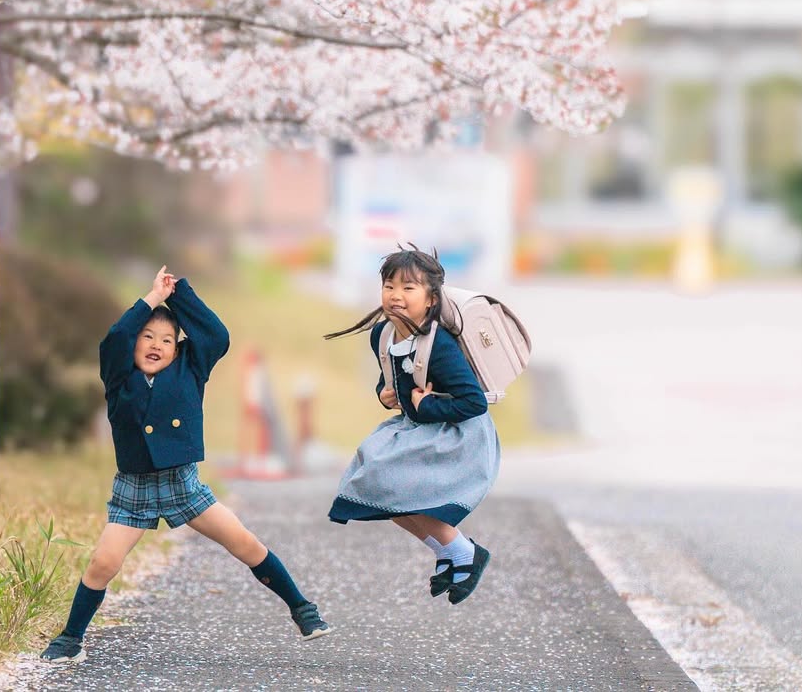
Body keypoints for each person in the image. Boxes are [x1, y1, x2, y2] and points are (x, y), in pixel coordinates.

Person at [40, 265, 331, 663]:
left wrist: (178, 294)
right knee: (103, 561)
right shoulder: (118, 376)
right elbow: (116, 338)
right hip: (135, 488)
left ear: (179, 348)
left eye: (166, 339)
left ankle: (303, 610)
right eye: (148, 336)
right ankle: (70, 638)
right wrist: (150, 300)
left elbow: (216, 336)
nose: (156, 344)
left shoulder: (191, 370)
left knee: (243, 542)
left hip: (184, 483)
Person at [325, 246, 500, 604]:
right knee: (375, 486)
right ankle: (450, 552)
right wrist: (385, 394)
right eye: (390, 286)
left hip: (456, 434)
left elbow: (473, 402)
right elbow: (391, 381)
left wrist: (427, 404)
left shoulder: (439, 345)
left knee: (393, 483)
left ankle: (465, 552)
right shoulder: (383, 335)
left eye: (409, 288)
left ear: (431, 298)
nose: (396, 296)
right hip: (418, 427)